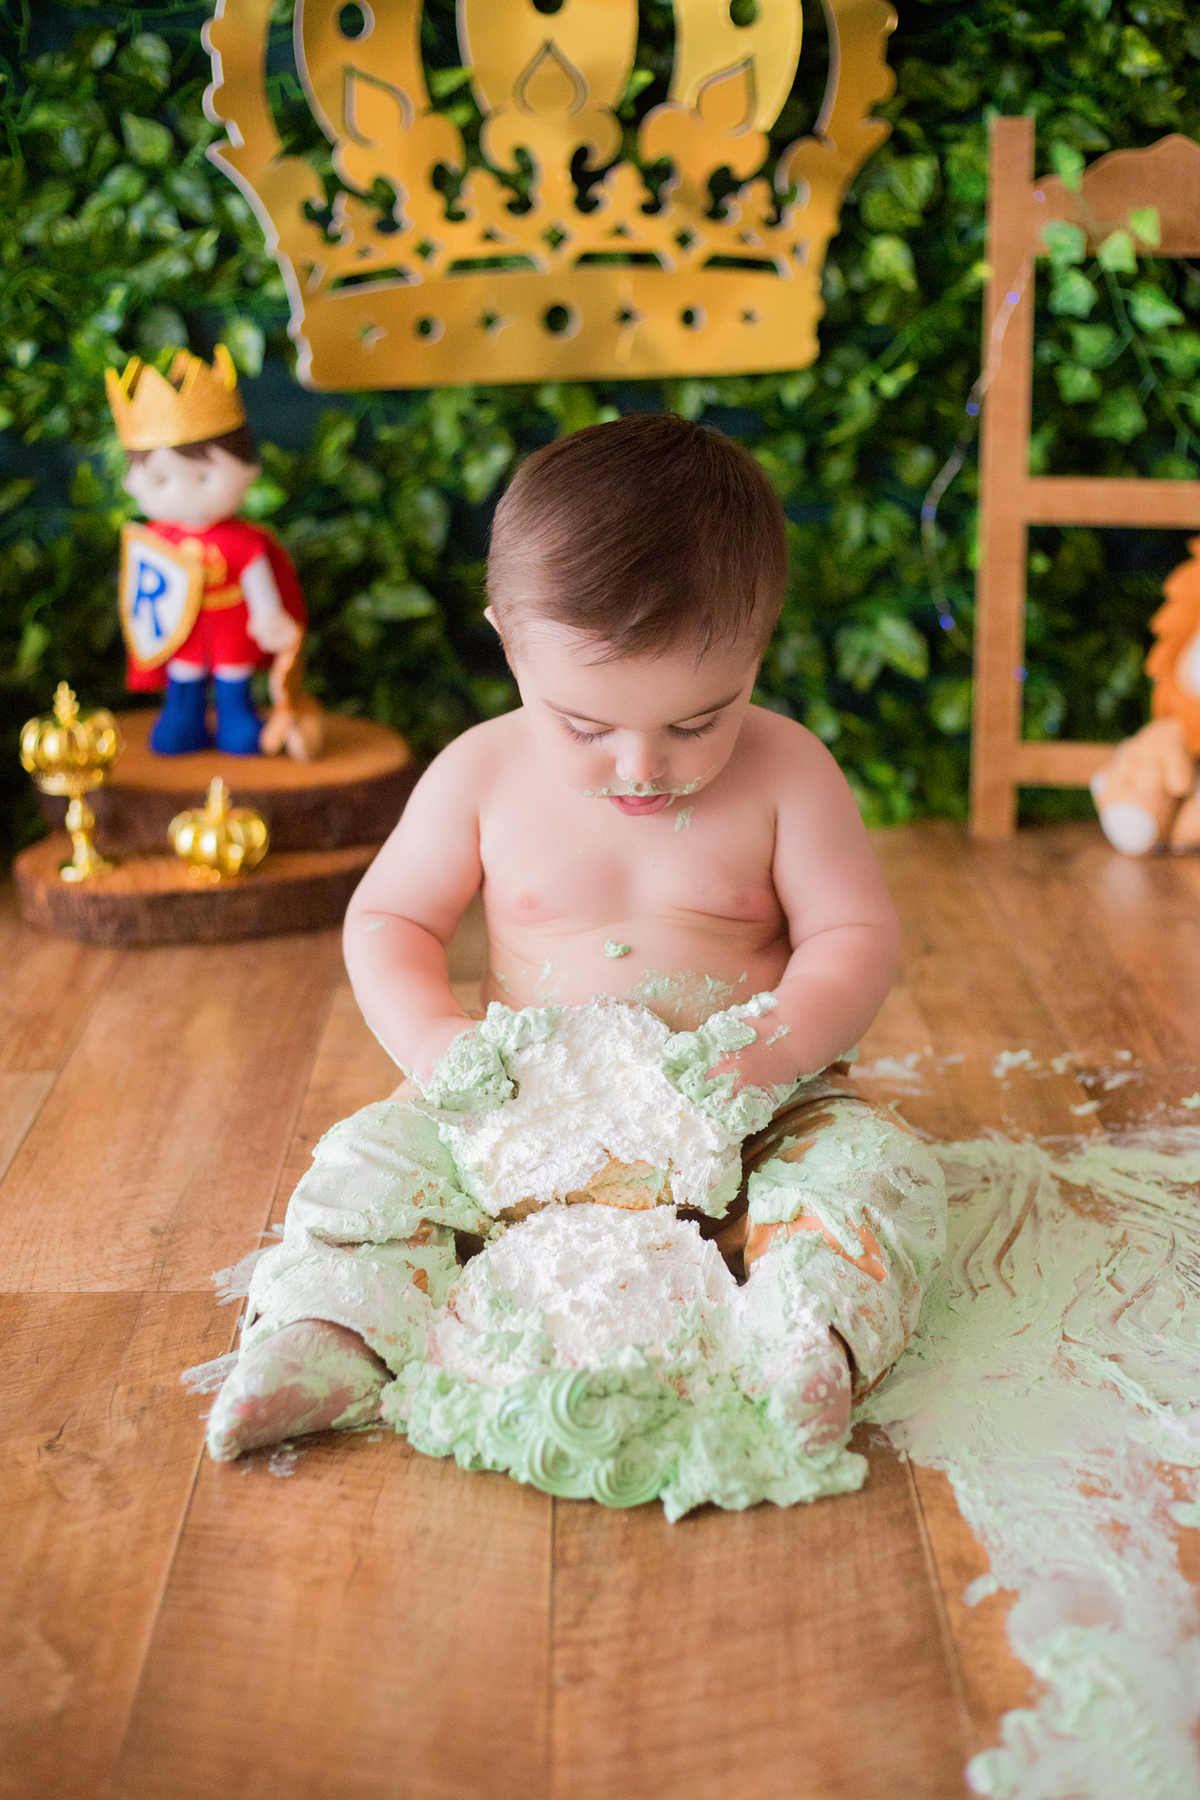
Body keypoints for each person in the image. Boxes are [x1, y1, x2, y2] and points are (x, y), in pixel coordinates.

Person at [207, 412, 946, 1466]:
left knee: (873, 1168)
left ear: (759, 645)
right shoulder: (480, 773)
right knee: (369, 1163)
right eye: (586, 726)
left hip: (749, 1107)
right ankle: (330, 1332)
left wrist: (777, 1048)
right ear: (507, 639)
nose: (642, 766)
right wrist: (437, 1046)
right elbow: (390, 919)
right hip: (517, 1107)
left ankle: (813, 1335)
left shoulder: (790, 773)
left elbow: (854, 933)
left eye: (698, 721)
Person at [107, 348, 305, 755]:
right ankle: (183, 720)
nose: (183, 492)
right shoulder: (154, 541)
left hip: (233, 622)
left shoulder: (246, 542)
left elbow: (260, 585)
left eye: (201, 476)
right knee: (184, 675)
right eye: (162, 479)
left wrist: (268, 615)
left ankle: (237, 722)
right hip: (183, 629)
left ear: (246, 469)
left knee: (234, 678)